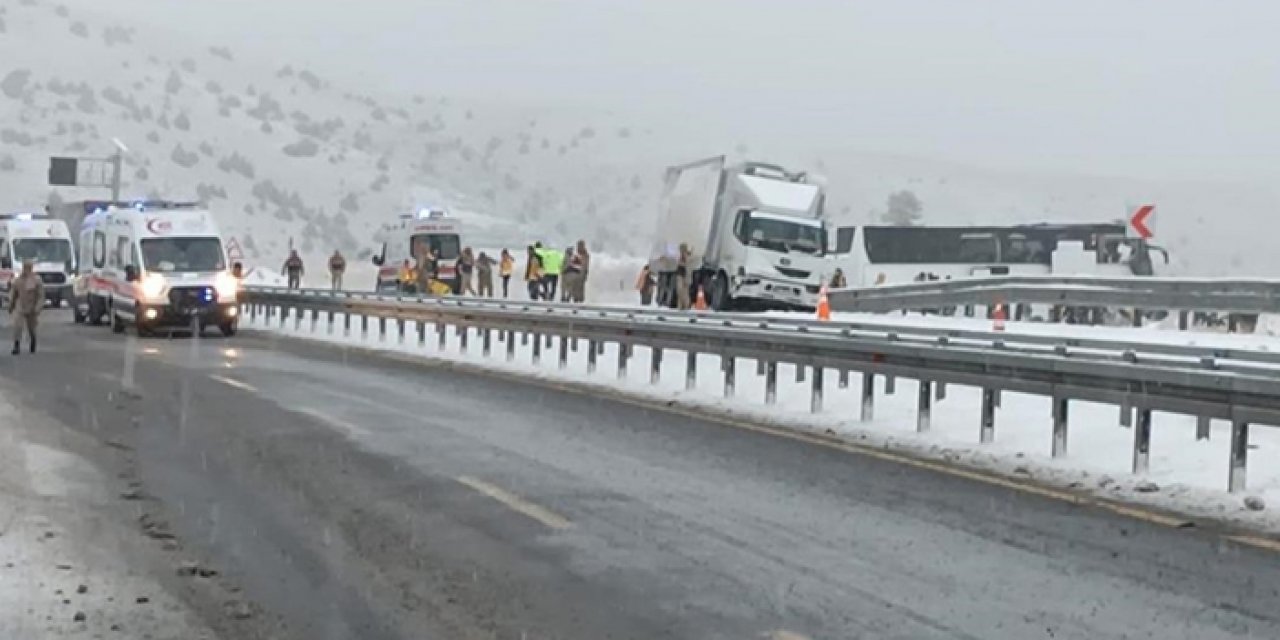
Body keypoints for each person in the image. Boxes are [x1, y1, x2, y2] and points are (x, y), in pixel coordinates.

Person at [9, 259, 44, 355]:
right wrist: (11, 306)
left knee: (31, 328)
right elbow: (13, 294)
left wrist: (38, 307)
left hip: (32, 306)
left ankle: (33, 341)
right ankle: (16, 346)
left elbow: (41, 296)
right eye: (25, 267)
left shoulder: (37, 280)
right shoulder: (18, 280)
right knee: (17, 326)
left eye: (28, 267)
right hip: (20, 305)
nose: (26, 269)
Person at [675, 243, 692, 310]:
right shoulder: (682, 255)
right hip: (681, 274)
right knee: (680, 290)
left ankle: (685, 305)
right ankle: (681, 305)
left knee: (683, 291)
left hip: (685, 275)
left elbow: (686, 264)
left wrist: (682, 263)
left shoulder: (686, 255)